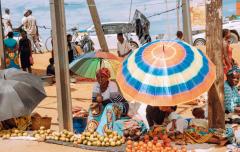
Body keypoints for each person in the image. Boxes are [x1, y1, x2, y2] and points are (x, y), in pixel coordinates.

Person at [85, 68, 129, 135]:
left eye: (102, 77)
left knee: (109, 108)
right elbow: (94, 100)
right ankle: (91, 130)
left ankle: (103, 132)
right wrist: (96, 100)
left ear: (107, 77)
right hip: (105, 105)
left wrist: (101, 101)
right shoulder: (96, 85)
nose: (100, 79)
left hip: (121, 105)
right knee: (94, 109)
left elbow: (115, 100)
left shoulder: (112, 84)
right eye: (98, 77)